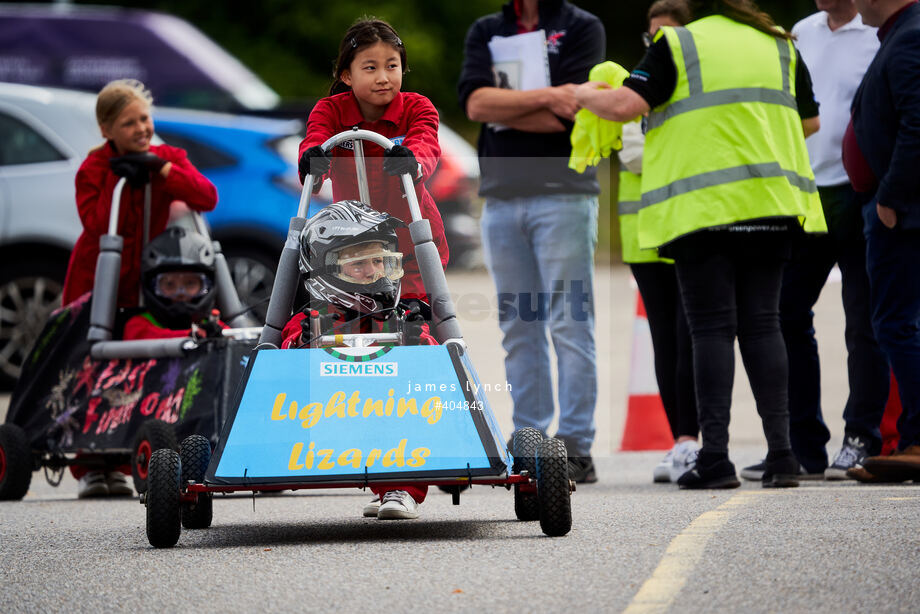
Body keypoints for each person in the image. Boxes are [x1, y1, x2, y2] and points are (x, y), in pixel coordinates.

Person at [576, 0, 826, 489]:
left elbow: (625, 105)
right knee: (763, 326)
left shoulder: (680, 43)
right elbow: (810, 121)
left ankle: (715, 457)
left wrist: (579, 93)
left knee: (710, 330)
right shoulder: (778, 41)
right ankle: (782, 456)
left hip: (705, 210)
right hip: (772, 204)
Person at [457, 0, 605, 483]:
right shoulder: (486, 29)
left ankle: (577, 445)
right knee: (520, 326)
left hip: (564, 193)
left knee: (570, 320)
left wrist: (513, 107)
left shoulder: (582, 27)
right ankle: (532, 441)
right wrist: (553, 96)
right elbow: (476, 104)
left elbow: (578, 117)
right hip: (501, 198)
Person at [740, 0, 886, 484]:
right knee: (784, 315)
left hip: (860, 192)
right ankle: (802, 444)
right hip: (805, 191)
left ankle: (861, 436)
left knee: (864, 319)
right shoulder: (801, 31)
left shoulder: (877, 32)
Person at [281, 200, 435, 519]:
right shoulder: (311, 319)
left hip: (388, 414)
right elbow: (280, 368)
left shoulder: (400, 317)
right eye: (360, 264)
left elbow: (437, 370)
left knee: (407, 398)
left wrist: (418, 338)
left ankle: (400, 487)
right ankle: (392, 487)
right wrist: (302, 342)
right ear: (327, 268)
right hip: (319, 420)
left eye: (379, 261)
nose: (374, 272)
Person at [298, 18, 448, 302]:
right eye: (371, 68)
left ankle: (434, 338)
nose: (383, 77)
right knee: (354, 321)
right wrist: (313, 159)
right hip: (350, 248)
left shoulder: (417, 107)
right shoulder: (329, 111)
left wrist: (412, 161)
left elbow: (425, 143)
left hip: (411, 243)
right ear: (346, 76)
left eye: (392, 66)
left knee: (418, 318)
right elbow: (315, 138)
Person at [618, 0, 700, 485]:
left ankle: (709, 439)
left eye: (667, 36)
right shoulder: (638, 84)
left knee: (700, 337)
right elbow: (632, 155)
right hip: (648, 237)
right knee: (667, 341)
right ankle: (681, 441)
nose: (658, 46)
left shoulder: (703, 88)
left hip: (695, 227)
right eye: (653, 38)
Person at [844, 0, 920, 482]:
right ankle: (910, 439)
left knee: (895, 323)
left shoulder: (910, 35)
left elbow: (918, 123)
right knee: (896, 323)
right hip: (893, 207)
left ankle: (916, 439)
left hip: (902, 212)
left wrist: (891, 196)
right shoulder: (899, 33)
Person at [62, 79, 218, 309]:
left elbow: (207, 197)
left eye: (144, 119)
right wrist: (117, 175)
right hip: (97, 276)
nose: (141, 129)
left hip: (146, 275)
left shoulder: (166, 157)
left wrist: (161, 168)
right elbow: (98, 228)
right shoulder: (93, 168)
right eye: (128, 124)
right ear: (106, 131)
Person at [122, 226, 227, 341]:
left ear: (206, 285)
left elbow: (235, 341)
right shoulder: (138, 325)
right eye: (170, 284)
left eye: (190, 283)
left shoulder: (213, 326)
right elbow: (148, 339)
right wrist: (194, 335)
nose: (180, 293)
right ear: (153, 287)